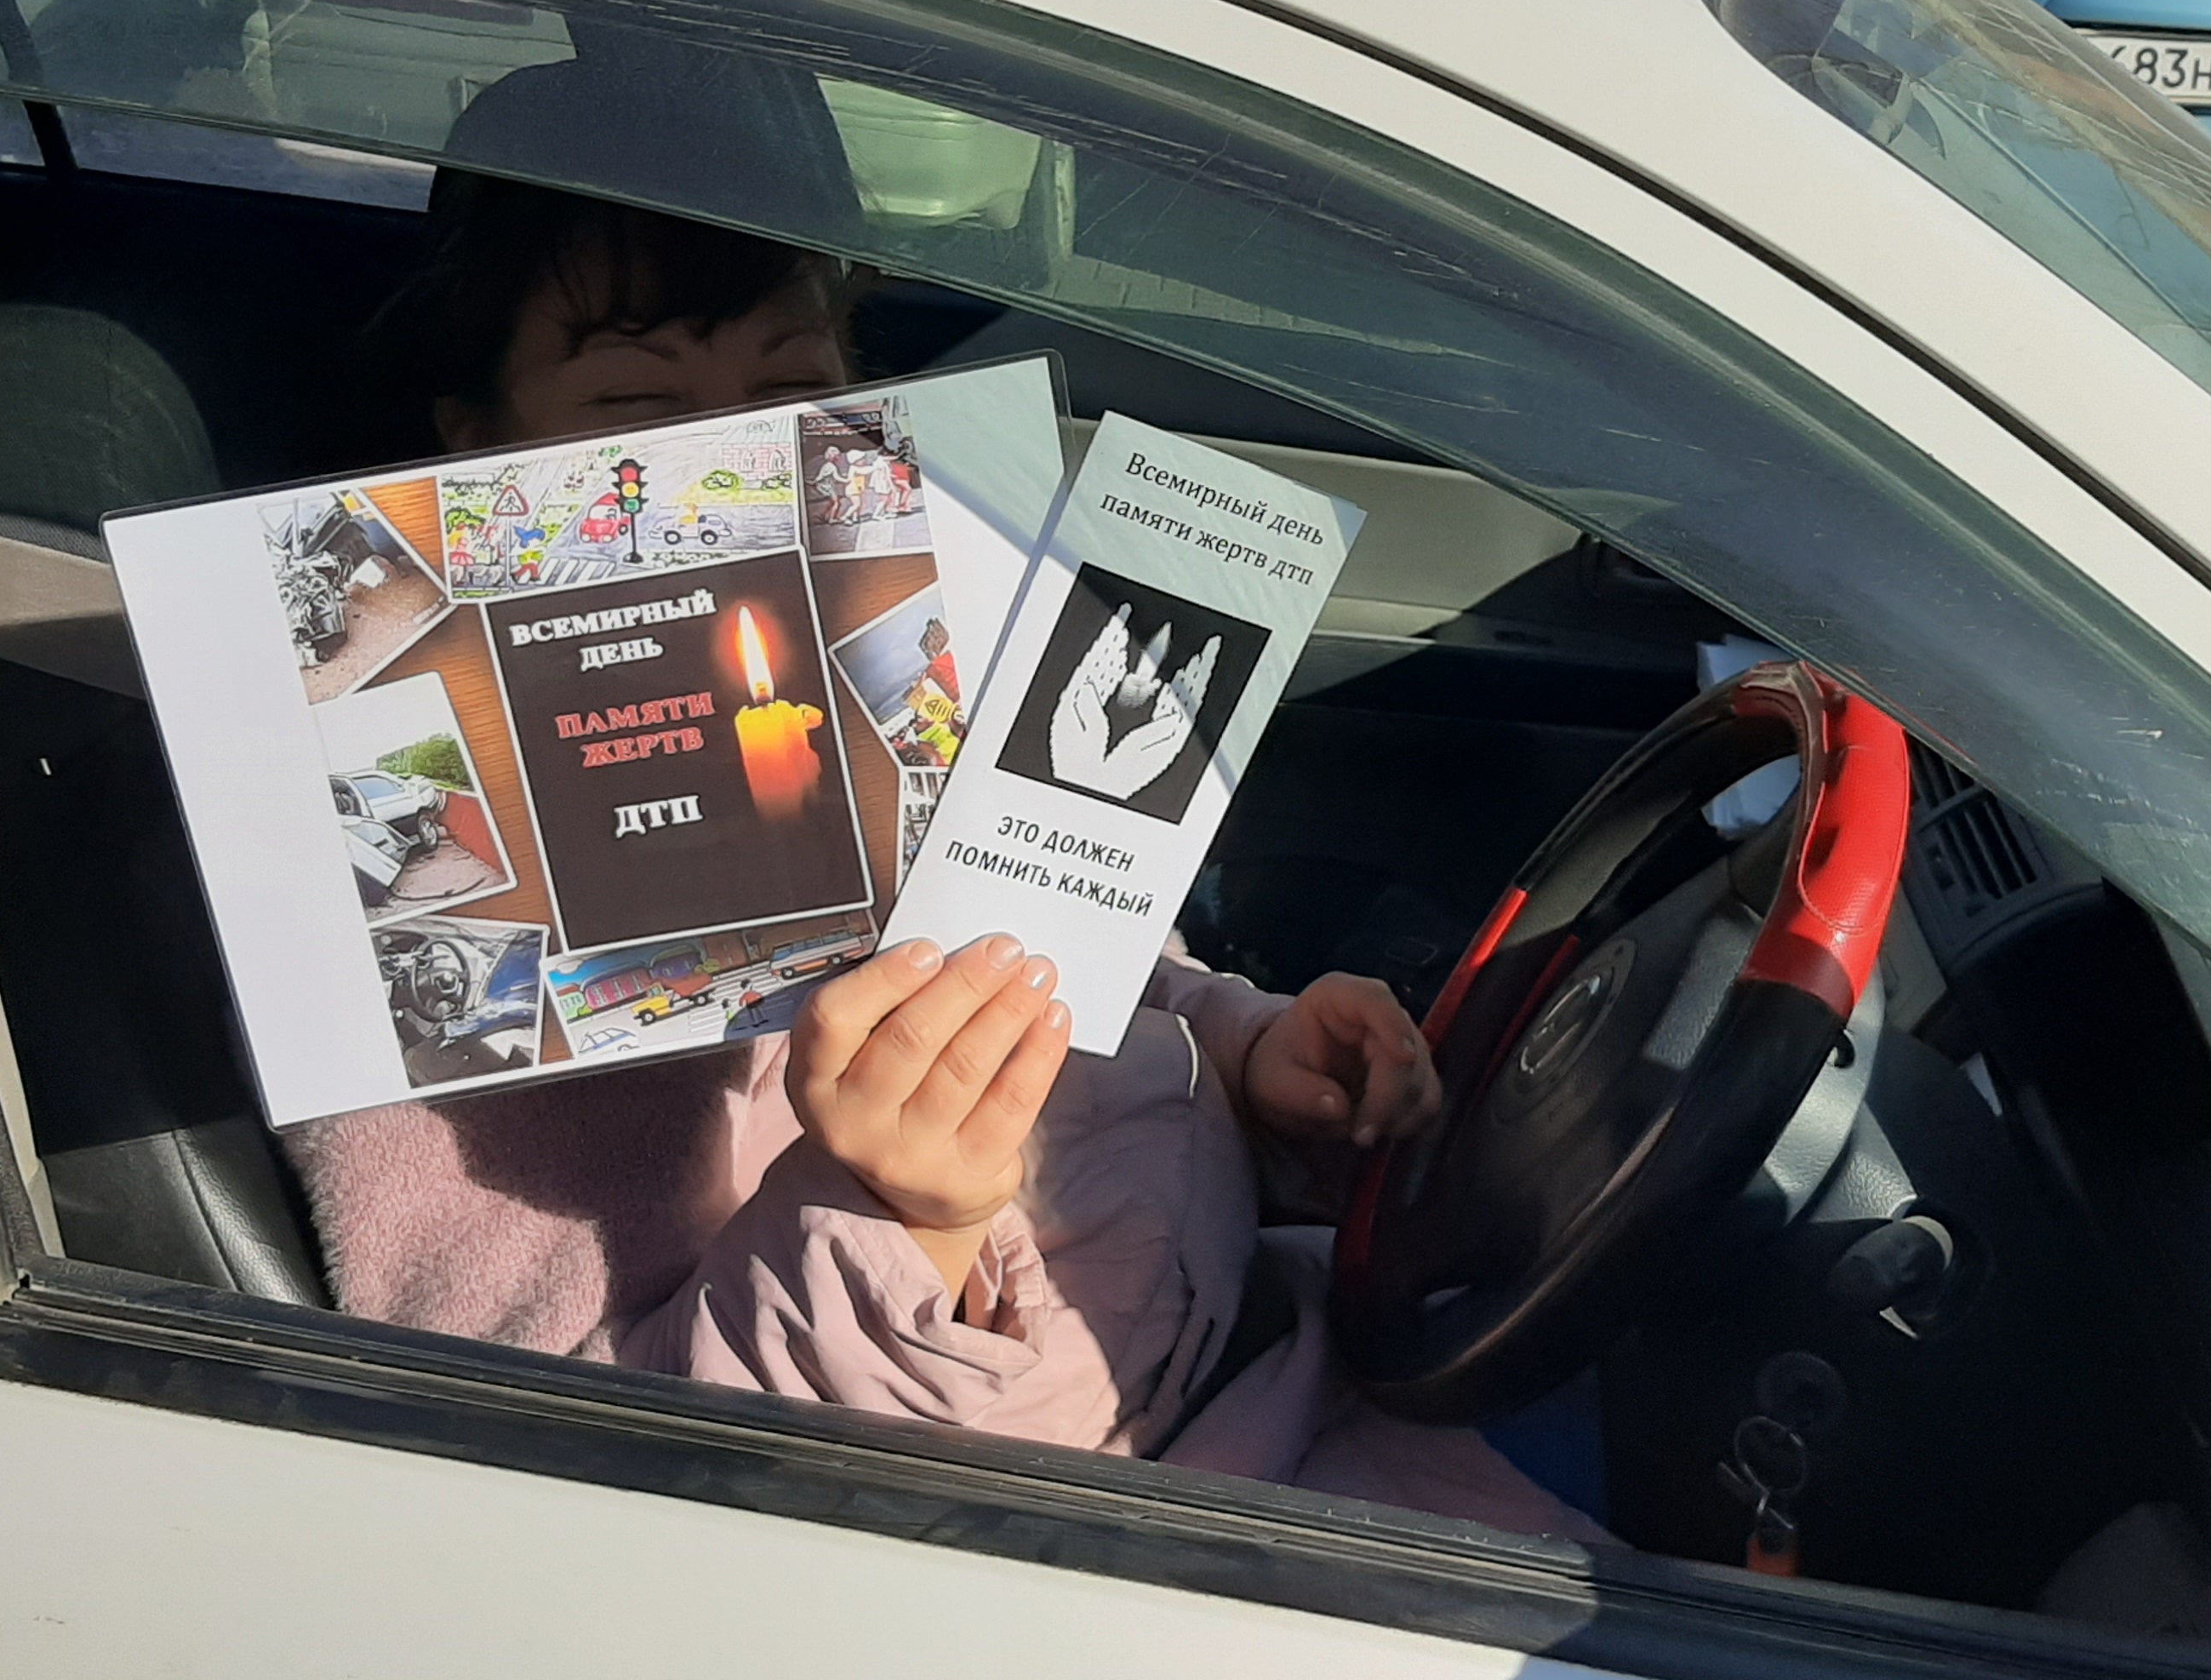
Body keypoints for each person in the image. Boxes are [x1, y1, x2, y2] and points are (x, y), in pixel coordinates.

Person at [305, 157, 1601, 1536]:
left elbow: (1086, 977)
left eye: (794, 390)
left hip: (1277, 1349)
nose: (737, 470)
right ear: (474, 445)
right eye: (635, 410)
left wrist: (1244, 1056)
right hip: (1065, 1531)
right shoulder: (426, 902)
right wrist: (894, 1220)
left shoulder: (919, 651)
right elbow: (554, 1459)